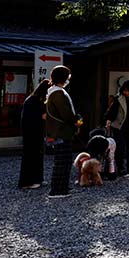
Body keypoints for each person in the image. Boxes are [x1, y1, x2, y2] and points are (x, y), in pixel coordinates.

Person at [45, 65, 82, 198]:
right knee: (62, 162)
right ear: (63, 77)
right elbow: (66, 114)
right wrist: (77, 120)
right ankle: (57, 190)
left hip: (60, 131)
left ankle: (62, 187)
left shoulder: (55, 91)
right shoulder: (58, 93)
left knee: (64, 161)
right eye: (68, 76)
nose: (69, 79)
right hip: (62, 131)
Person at [105, 80, 129, 177]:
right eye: (125, 91)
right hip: (119, 126)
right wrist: (108, 119)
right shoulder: (119, 98)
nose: (126, 93)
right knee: (120, 147)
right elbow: (112, 111)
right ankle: (121, 169)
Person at [18, 79, 50, 189]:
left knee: (37, 155)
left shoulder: (34, 99)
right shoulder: (33, 100)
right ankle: (28, 181)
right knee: (31, 156)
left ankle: (37, 179)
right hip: (32, 132)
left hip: (34, 131)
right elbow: (36, 116)